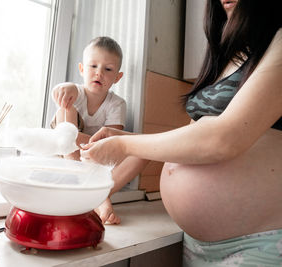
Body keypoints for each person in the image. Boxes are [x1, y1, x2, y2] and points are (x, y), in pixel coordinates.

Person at [80, 0, 282, 266]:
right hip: (198, 245)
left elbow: (224, 139)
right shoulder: (227, 55)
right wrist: (122, 142)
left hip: (259, 242)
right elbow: (189, 140)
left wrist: (124, 146)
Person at [51, 36, 148, 224]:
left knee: (144, 150)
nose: (99, 73)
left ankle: (93, 193)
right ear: (81, 69)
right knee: (66, 109)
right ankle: (99, 199)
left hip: (97, 164)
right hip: (67, 158)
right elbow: (63, 134)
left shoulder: (117, 104)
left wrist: (84, 142)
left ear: (117, 77)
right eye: (93, 66)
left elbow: (112, 146)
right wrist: (65, 88)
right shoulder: (74, 94)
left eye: (108, 69)